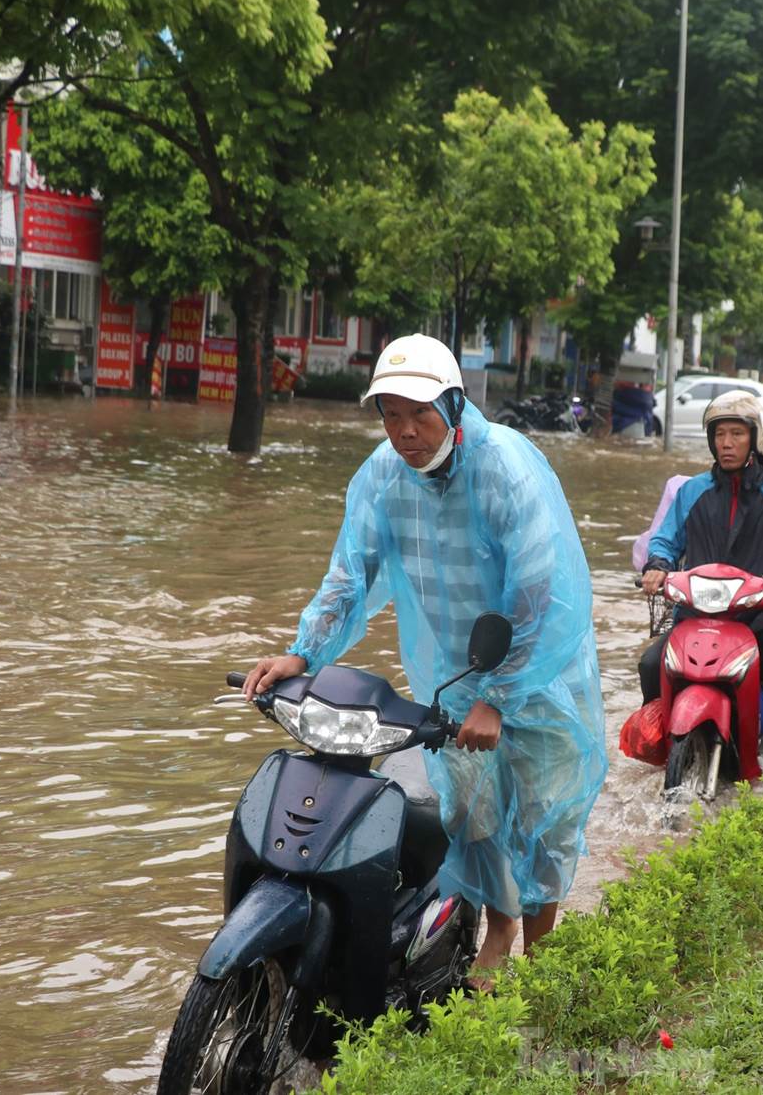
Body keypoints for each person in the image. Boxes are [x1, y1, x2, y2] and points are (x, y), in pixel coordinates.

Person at [241, 333, 606, 982]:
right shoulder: (384, 475)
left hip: (540, 675)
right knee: (474, 813)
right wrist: (303, 654)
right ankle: (499, 930)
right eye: (391, 413)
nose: (405, 431)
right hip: (458, 678)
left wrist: (503, 694)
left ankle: (541, 949)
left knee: (543, 816)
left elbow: (540, 595)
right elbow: (351, 576)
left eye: (420, 413)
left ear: (455, 406)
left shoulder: (506, 471)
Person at [639, 392, 763, 760]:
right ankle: (660, 747)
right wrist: (658, 565)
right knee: (650, 662)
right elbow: (664, 538)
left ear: (755, 438)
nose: (726, 443)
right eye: (719, 434)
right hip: (695, 616)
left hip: (755, 616)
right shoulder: (691, 491)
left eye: (737, 434)